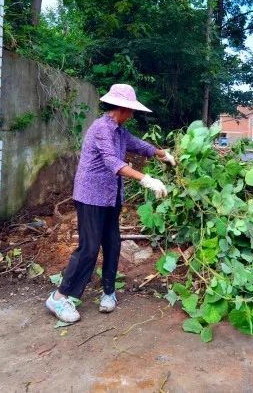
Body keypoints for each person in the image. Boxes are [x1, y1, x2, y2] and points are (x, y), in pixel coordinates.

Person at [45, 83, 175, 323]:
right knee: (89, 248)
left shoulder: (119, 130)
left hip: (111, 197)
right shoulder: (102, 128)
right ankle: (59, 297)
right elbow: (112, 162)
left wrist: (163, 154)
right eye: (131, 110)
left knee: (113, 244)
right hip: (91, 197)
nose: (133, 114)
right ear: (122, 108)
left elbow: (140, 145)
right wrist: (146, 179)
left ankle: (109, 292)